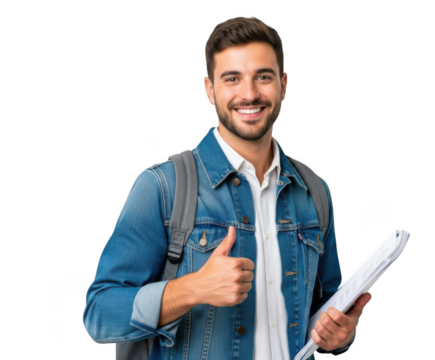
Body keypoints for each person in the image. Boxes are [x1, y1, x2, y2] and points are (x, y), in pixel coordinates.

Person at [83, 16, 372, 359]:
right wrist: (191, 289)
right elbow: (99, 316)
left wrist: (340, 334)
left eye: (263, 77)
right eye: (232, 78)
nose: (249, 94)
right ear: (210, 89)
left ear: (284, 84)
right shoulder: (163, 186)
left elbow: (325, 307)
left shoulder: (314, 191)